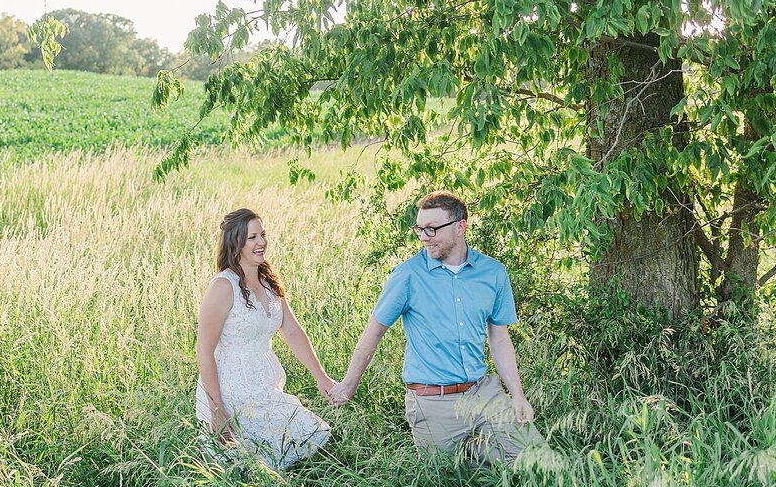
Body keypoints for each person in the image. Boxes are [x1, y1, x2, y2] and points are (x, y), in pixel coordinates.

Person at [329, 191, 542, 464]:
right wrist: (348, 385)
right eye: (420, 229)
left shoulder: (493, 273)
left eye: (432, 229)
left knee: (534, 462)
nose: (424, 237)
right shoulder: (407, 275)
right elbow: (373, 333)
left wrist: (518, 395)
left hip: (483, 392)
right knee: (447, 486)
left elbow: (499, 339)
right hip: (433, 401)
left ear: (460, 227)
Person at [195, 208, 336, 470]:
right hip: (231, 391)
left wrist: (321, 376)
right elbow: (204, 351)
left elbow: (292, 331)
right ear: (235, 243)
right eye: (252, 238)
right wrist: (216, 409)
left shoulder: (268, 281)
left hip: (264, 384)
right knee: (255, 466)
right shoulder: (223, 286)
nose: (261, 243)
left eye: (263, 234)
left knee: (307, 438)